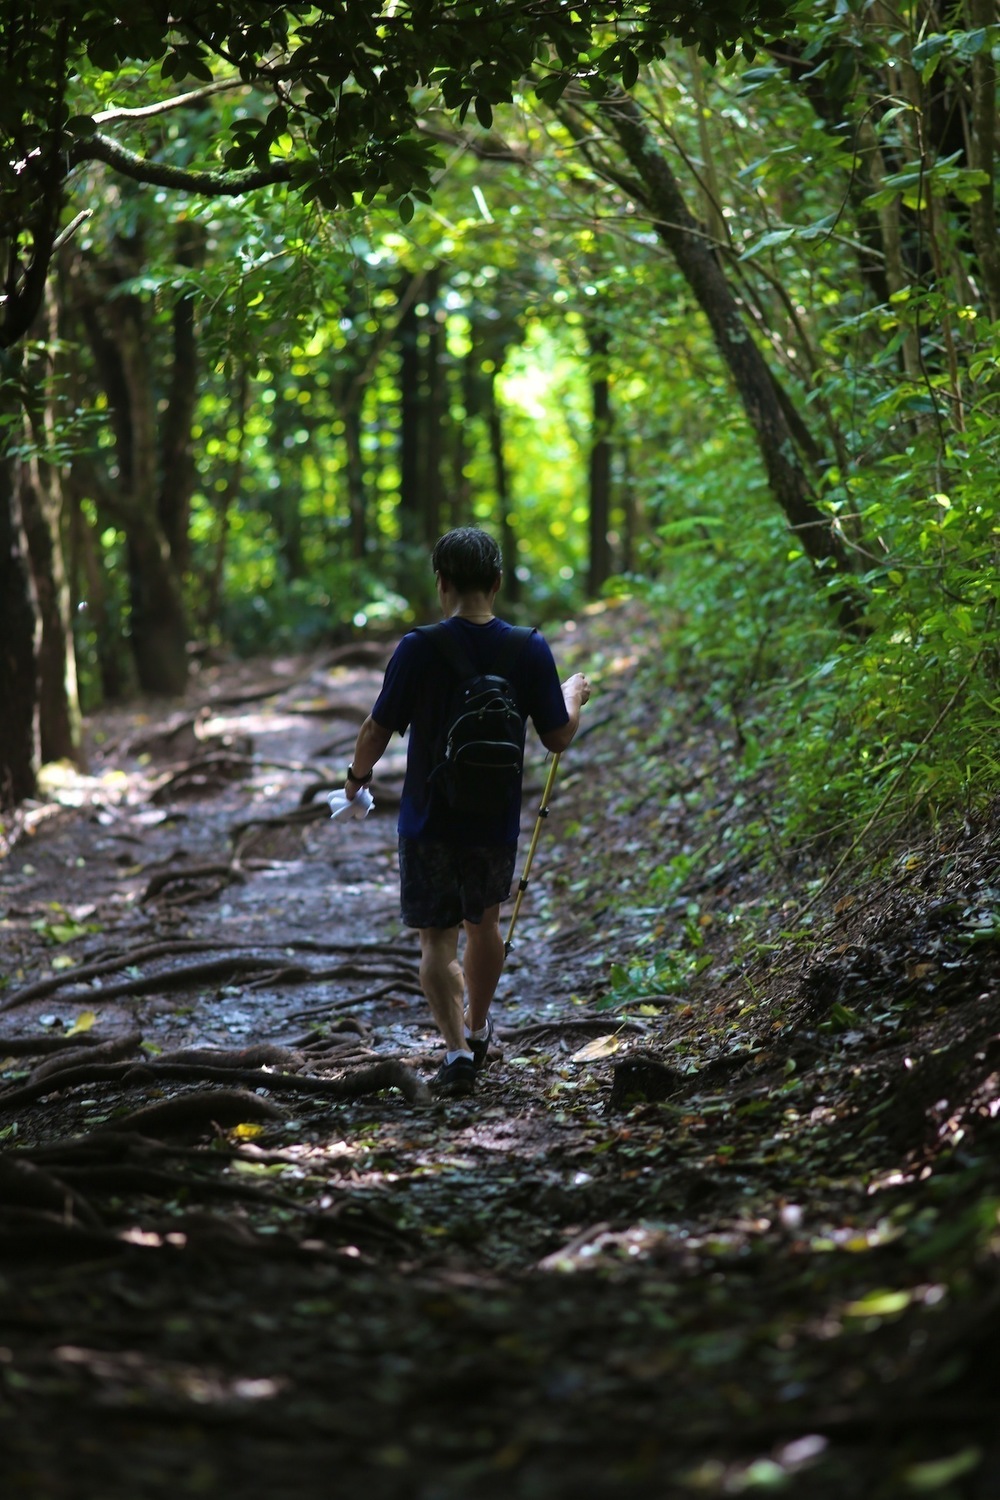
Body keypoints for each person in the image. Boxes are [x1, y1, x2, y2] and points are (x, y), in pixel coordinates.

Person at [344, 526, 591, 1097]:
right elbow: (557, 737)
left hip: (428, 818)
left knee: (436, 941)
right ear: (498, 583)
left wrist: (357, 780)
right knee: (485, 924)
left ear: (442, 583)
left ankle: (454, 1051)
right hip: (493, 819)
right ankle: (479, 1030)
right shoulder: (528, 647)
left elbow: (377, 728)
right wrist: (572, 693)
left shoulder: (418, 648)